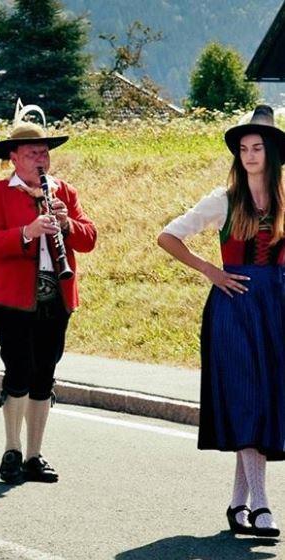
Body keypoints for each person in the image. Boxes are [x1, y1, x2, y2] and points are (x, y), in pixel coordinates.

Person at [158, 104, 285, 537]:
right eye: (244, 149)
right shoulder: (224, 199)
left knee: (263, 404)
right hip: (234, 308)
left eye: (257, 148)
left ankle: (238, 505)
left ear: (272, 153)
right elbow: (168, 236)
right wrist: (210, 270)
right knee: (247, 401)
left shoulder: (284, 202)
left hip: (275, 308)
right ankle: (262, 505)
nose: (249, 155)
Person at [0, 118, 96, 485]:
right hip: (11, 299)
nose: (41, 160)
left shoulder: (65, 192)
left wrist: (67, 225)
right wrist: (27, 233)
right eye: (32, 154)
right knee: (19, 370)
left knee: (45, 372)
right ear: (13, 157)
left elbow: (89, 238)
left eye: (44, 153)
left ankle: (34, 454)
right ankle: (12, 449)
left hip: (55, 298)